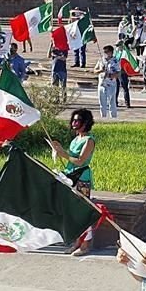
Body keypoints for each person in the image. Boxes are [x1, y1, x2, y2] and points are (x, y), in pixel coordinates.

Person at [48, 109, 96, 256]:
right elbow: (70, 158)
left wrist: (64, 154)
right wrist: (59, 150)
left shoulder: (89, 140)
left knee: (82, 210)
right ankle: (77, 241)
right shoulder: (76, 139)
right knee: (71, 210)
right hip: (70, 175)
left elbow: (81, 161)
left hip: (82, 177)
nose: (74, 123)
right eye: (73, 120)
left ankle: (86, 243)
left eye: (78, 121)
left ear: (85, 123)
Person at [94, 45, 120, 119]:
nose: (105, 53)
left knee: (112, 102)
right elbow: (95, 70)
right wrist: (100, 70)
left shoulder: (115, 61)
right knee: (102, 103)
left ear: (111, 52)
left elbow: (118, 73)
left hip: (111, 84)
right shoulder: (101, 60)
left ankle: (113, 118)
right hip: (102, 84)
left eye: (107, 52)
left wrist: (111, 75)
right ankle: (103, 118)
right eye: (104, 52)